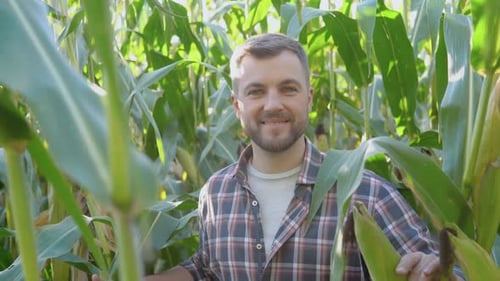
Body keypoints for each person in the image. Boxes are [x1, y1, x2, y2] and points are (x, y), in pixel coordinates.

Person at [93, 33, 464, 281]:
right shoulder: (216, 193)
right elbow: (207, 270)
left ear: (309, 98)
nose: (273, 105)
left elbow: (442, 267)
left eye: (288, 88)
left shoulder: (364, 193)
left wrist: (437, 269)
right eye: (256, 92)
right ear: (238, 106)